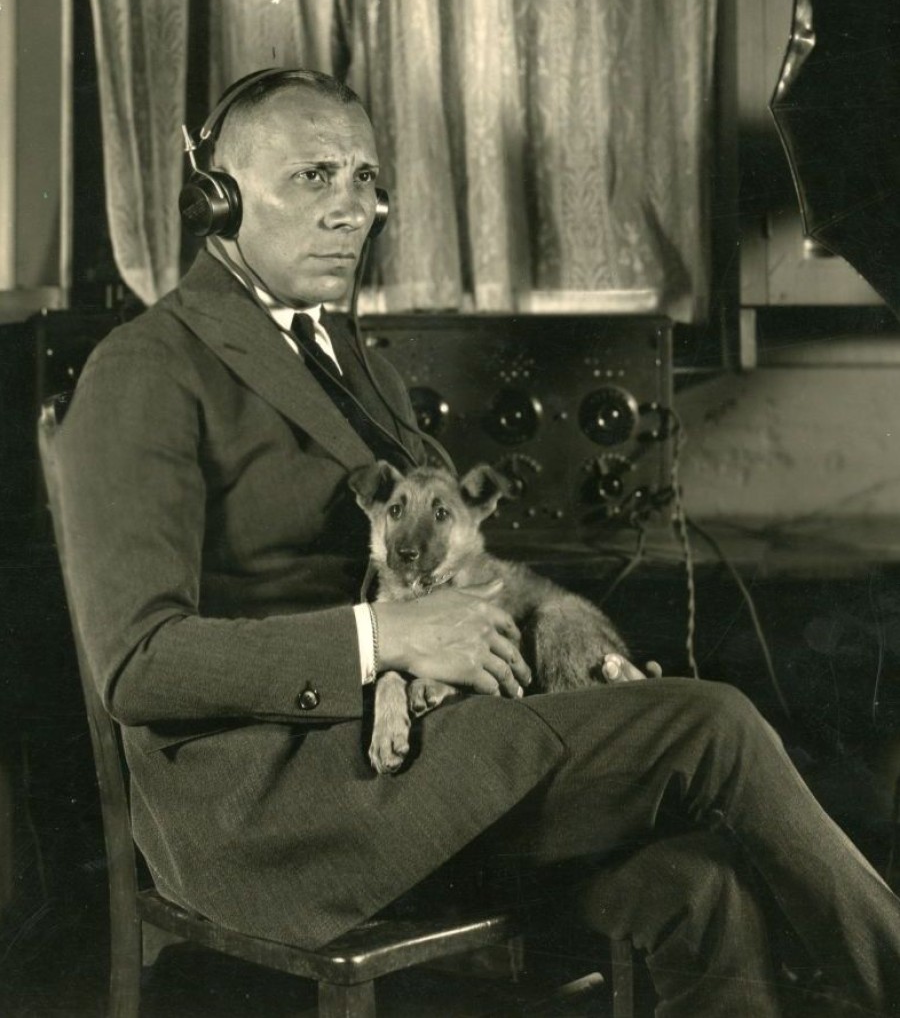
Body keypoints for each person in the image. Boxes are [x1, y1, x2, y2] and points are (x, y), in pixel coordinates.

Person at [56, 68, 900, 1017]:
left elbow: (462, 569)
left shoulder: (353, 360)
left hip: (432, 747)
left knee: (702, 886)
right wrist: (385, 642)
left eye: (366, 179)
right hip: (278, 805)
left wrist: (582, 655)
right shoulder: (147, 369)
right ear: (218, 199)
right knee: (714, 724)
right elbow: (137, 665)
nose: (354, 210)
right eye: (313, 177)